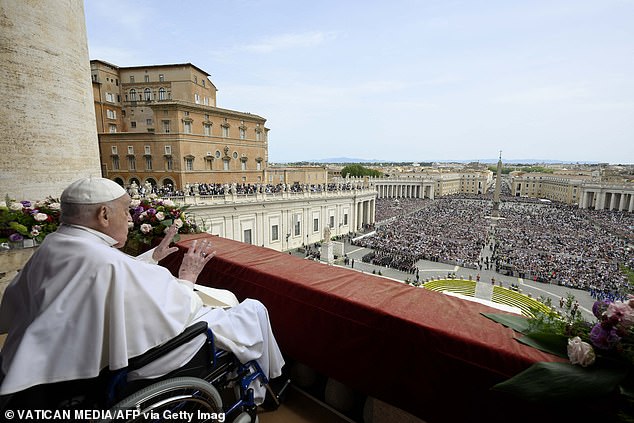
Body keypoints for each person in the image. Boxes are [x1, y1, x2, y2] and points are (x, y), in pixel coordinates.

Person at [0, 177, 284, 402]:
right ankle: (267, 381)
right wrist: (187, 276)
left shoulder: (57, 243)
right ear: (103, 214)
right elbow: (176, 309)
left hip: (60, 357)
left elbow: (110, 277)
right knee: (252, 309)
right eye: (126, 211)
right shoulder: (104, 259)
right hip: (148, 357)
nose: (131, 219)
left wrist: (153, 257)